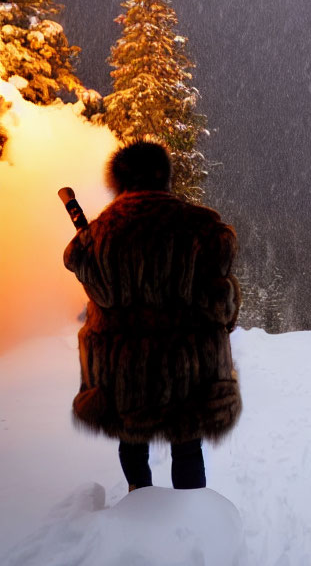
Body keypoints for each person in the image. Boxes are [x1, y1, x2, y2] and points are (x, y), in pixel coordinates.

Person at [63, 140, 242, 491]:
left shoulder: (97, 235)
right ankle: (191, 514)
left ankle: (138, 501)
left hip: (124, 370)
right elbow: (220, 306)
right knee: (187, 443)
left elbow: (97, 293)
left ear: (120, 181)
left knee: (131, 442)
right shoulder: (202, 228)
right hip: (187, 366)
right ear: (165, 177)